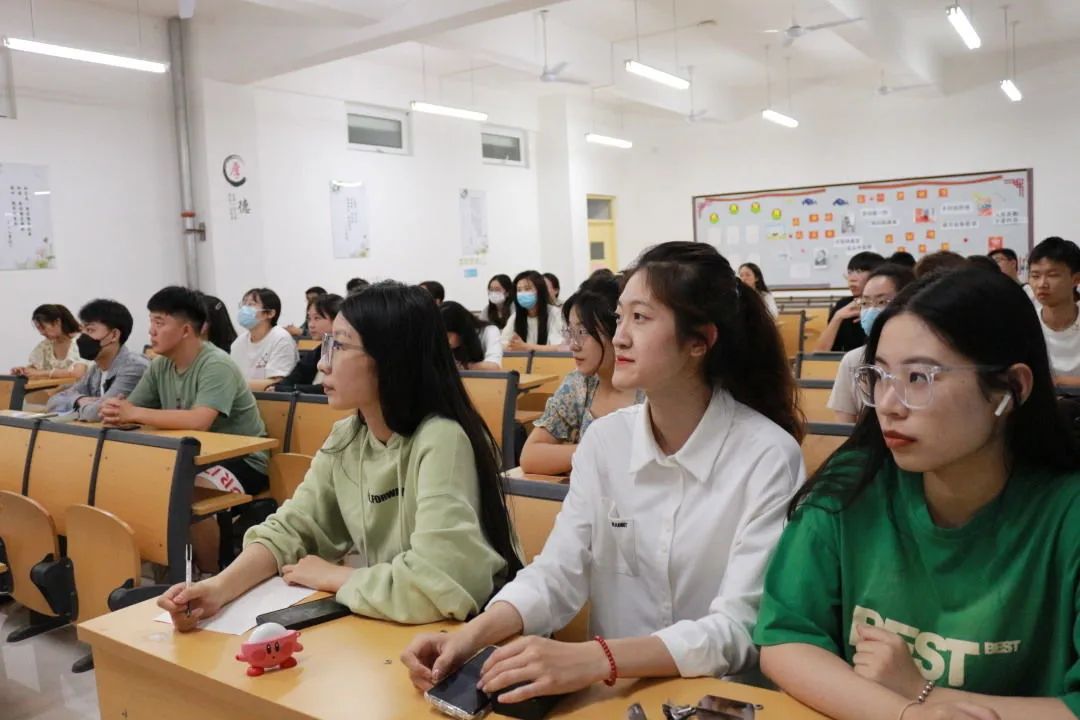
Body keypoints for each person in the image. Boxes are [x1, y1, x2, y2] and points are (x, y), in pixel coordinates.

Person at [403, 241, 804, 705]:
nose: (620, 337)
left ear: (700, 341)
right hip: (615, 700)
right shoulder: (605, 441)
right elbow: (558, 572)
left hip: (717, 702)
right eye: (620, 317)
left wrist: (600, 658)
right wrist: (471, 637)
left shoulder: (767, 456)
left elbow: (738, 628)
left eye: (641, 318)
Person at [755, 267, 1080, 720]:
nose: (888, 404)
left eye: (920, 378)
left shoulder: (1066, 514)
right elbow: (786, 639)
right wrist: (907, 713)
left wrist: (922, 692)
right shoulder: (851, 487)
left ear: (1011, 388)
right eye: (880, 376)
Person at [156, 283, 523, 628]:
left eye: (341, 346)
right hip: (395, 623)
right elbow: (292, 528)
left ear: (391, 359)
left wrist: (335, 576)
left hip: (461, 634)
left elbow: (437, 586)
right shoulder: (348, 436)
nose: (323, 364)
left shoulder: (441, 438)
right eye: (327, 344)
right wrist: (218, 588)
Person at [100, 286, 270, 572]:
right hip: (190, 457)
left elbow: (199, 420)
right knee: (134, 481)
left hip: (243, 460)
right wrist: (116, 412)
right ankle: (168, 573)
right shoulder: (160, 366)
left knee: (186, 492)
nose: (151, 331)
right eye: (151, 321)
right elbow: (131, 409)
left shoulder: (216, 364)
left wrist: (134, 413)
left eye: (159, 322)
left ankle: (212, 577)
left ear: (186, 330)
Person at [519, 271, 643, 476]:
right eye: (570, 332)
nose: (573, 345)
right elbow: (530, 457)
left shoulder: (651, 391)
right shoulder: (579, 385)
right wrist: (597, 450)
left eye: (583, 332)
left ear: (616, 331)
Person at [828, 264, 916, 423]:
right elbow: (844, 427)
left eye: (882, 302)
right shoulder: (853, 360)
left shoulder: (924, 359)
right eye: (865, 303)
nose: (871, 310)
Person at [46, 299, 149, 421]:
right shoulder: (96, 369)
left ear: (114, 335)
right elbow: (53, 402)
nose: (82, 337)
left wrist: (77, 407)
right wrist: (78, 400)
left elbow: (97, 414)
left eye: (90, 330)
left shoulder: (134, 367)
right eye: (82, 330)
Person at [1028, 236, 1080, 378]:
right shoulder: (1026, 324)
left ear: (1076, 279)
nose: (1042, 284)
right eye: (1035, 276)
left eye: (1052, 275)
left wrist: (1058, 382)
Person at [272, 293, 343, 394]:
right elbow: (295, 376)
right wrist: (278, 388)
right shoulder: (320, 349)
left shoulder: (346, 351)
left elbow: (329, 388)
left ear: (337, 319)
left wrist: (293, 389)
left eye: (317, 318)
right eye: (309, 319)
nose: (311, 325)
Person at [230, 288, 299, 390]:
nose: (244, 309)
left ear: (270, 313)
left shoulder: (281, 338)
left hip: (269, 398)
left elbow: (277, 383)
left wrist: (233, 386)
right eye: (243, 304)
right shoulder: (239, 342)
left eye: (251, 304)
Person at [816, 252, 885, 352]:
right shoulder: (844, 306)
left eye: (859, 271)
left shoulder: (888, 306)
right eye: (849, 272)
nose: (851, 279)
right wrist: (837, 317)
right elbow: (820, 353)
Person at [11, 304, 88, 380]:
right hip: (56, 387)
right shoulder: (46, 345)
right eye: (39, 329)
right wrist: (23, 371)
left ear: (57, 322)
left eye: (43, 328)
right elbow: (35, 368)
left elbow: (78, 373)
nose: (41, 333)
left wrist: (40, 373)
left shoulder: (81, 341)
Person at [501, 270, 565, 351]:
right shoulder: (515, 317)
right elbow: (503, 344)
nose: (522, 293)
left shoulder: (555, 314)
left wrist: (526, 347)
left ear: (540, 291)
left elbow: (561, 347)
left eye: (527, 289)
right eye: (519, 290)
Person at [441, 301, 502, 371]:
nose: (444, 341)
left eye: (448, 336)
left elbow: (494, 367)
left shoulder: (489, 331)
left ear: (460, 329)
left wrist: (463, 367)